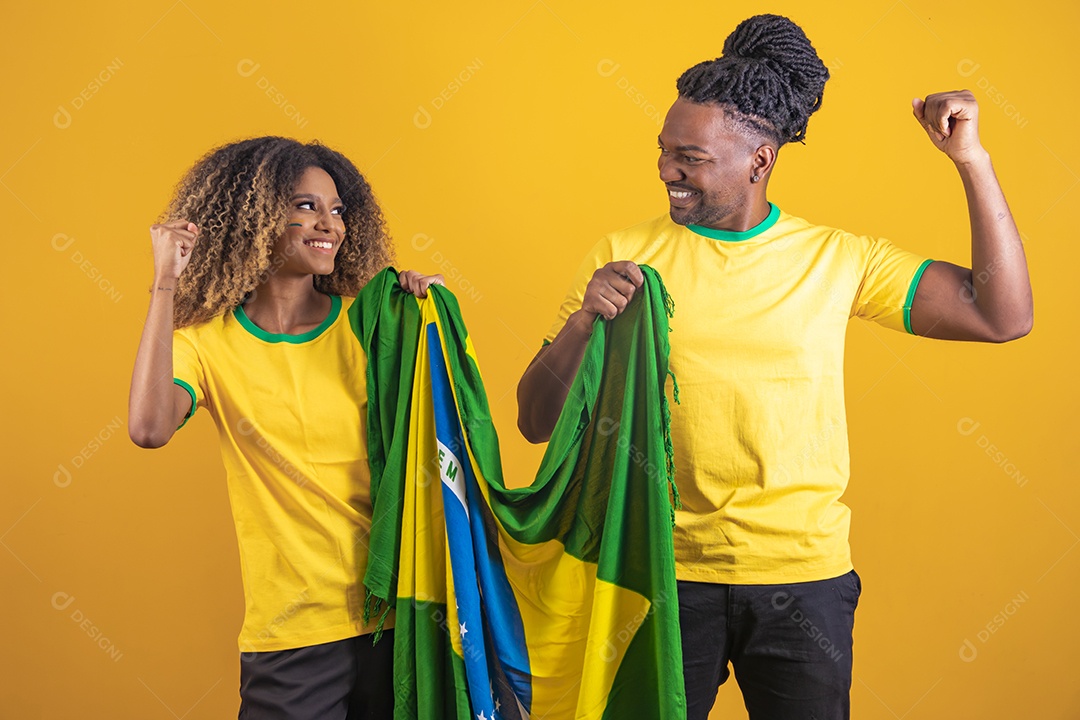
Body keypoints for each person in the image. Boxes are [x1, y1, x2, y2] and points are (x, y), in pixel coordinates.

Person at [516, 14, 1032, 720]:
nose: (666, 169)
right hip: (659, 578)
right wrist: (583, 323)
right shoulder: (623, 255)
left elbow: (1001, 315)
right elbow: (535, 421)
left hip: (802, 581)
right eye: (664, 150)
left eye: (689, 156)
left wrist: (971, 161)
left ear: (759, 161)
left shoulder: (838, 259)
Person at [128, 136, 442, 719]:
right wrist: (165, 285)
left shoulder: (373, 326)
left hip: (399, 615)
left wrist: (429, 318)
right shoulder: (206, 345)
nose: (329, 224)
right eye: (305, 206)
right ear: (255, 219)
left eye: (337, 209)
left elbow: (441, 441)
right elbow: (149, 427)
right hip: (293, 631)